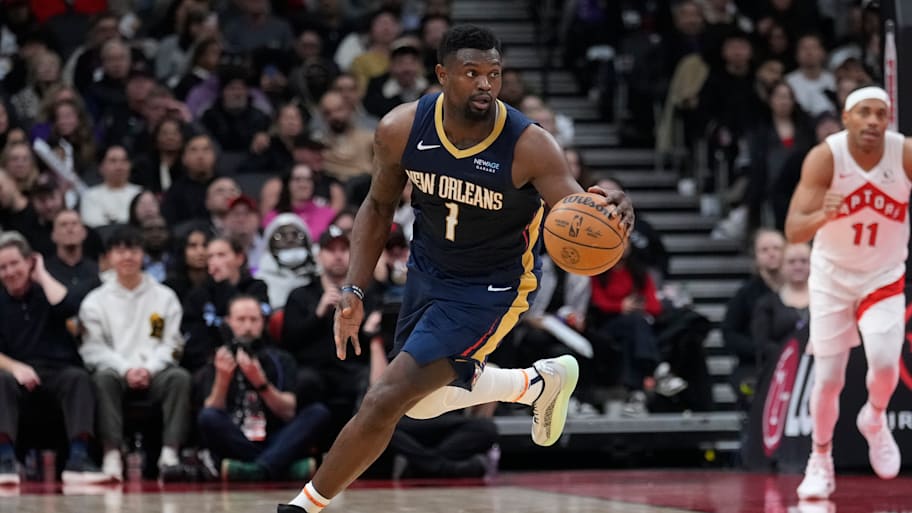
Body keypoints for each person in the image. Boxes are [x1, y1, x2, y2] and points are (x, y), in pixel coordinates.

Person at [277, 25, 632, 513]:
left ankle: (302, 506)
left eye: (494, 73)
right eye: (472, 73)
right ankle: (534, 384)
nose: (485, 83)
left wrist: (610, 204)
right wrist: (354, 290)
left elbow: (575, 205)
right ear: (443, 75)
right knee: (420, 405)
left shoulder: (529, 145)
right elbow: (377, 208)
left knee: (385, 399)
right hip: (426, 272)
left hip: (491, 288)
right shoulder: (402, 128)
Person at [786, 86, 912, 500]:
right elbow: (793, 230)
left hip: (883, 275)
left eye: (881, 113)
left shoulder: (904, 154)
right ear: (846, 117)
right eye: (865, 113)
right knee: (827, 380)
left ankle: (874, 418)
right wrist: (826, 212)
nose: (874, 121)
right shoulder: (826, 157)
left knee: (884, 363)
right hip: (832, 277)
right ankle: (820, 458)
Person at [0, 232, 108, 485]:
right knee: (0, 382)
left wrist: (43, 275)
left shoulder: (48, 290)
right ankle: (4, 461)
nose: (9, 272)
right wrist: (15, 367)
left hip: (58, 371)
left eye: (14, 263)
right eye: (2, 267)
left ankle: (79, 459)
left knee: (78, 379)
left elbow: (69, 307)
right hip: (17, 374)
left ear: (29, 262)